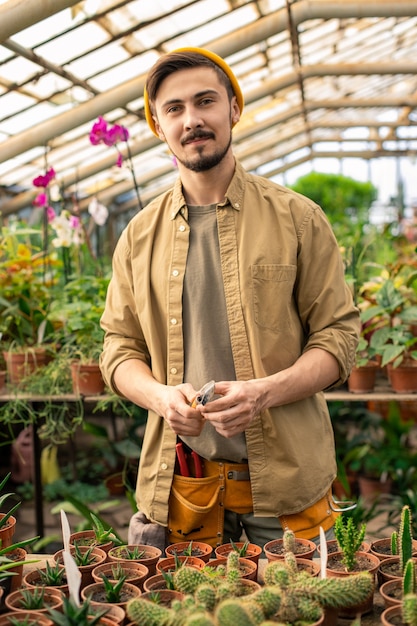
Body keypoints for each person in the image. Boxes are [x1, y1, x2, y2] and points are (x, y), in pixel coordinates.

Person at [99, 47, 360, 552]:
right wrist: (160, 397)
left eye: (205, 102)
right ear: (159, 126)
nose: (192, 120)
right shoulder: (137, 236)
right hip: (181, 486)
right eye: (173, 109)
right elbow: (118, 347)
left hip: (285, 486)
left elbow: (339, 337)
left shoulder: (298, 219)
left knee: (297, 609)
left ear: (234, 109)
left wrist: (265, 392)